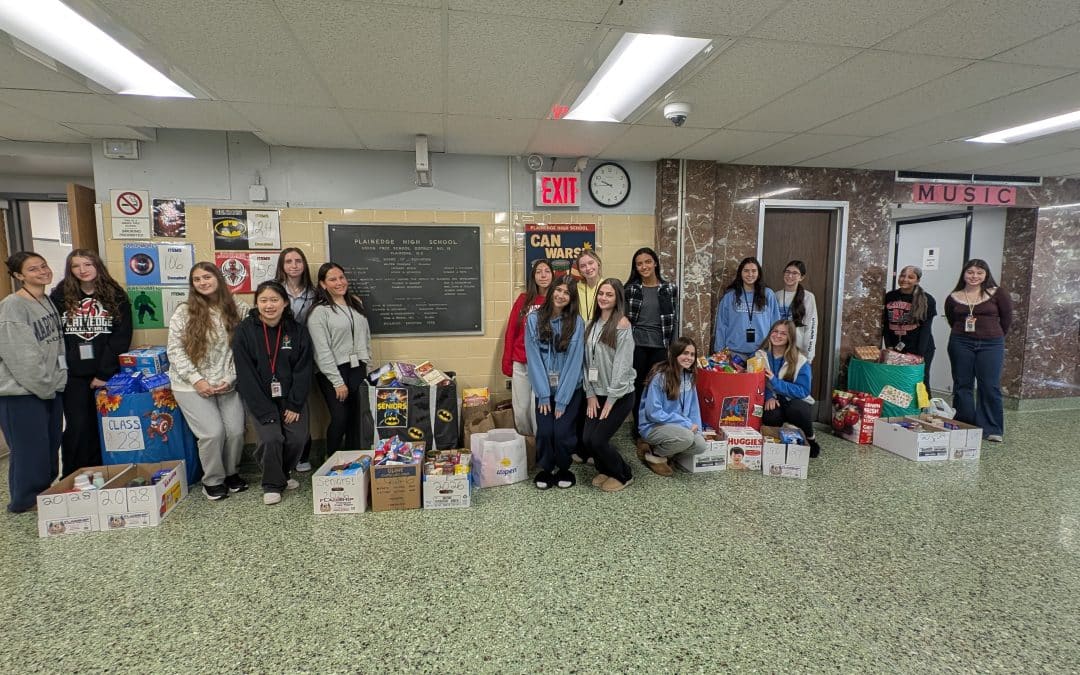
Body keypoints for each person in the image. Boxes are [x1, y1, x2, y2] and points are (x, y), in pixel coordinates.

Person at [167, 262, 248, 501]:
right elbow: (175, 350)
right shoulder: (184, 311)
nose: (203, 282)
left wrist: (230, 377)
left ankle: (231, 473)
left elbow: (244, 349)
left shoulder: (237, 307)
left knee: (235, 432)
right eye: (197, 279)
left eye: (207, 276)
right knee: (213, 433)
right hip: (190, 385)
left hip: (226, 383)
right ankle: (212, 480)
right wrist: (197, 380)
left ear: (218, 278)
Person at [50, 249, 133, 476]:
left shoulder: (116, 296)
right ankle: (73, 475)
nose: (83, 270)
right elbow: (54, 336)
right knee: (77, 426)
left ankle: (100, 472)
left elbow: (121, 337)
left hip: (105, 373)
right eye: (76, 266)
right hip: (72, 374)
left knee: (103, 426)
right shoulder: (59, 297)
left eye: (87, 264)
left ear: (97, 265)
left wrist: (104, 373)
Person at [233, 281, 314, 505]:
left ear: (285, 303)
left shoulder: (297, 331)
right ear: (257, 303)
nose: (269, 305)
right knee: (271, 438)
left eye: (274, 300)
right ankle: (272, 484)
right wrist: (265, 410)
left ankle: (283, 474)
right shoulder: (245, 331)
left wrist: (295, 405)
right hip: (260, 396)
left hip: (291, 397)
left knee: (297, 437)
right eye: (264, 300)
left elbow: (303, 369)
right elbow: (245, 374)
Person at [0, 252, 66, 513]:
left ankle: (44, 494)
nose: (42, 272)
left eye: (44, 266)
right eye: (33, 269)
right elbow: (22, 356)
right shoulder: (12, 306)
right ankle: (24, 502)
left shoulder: (46, 301)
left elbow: (56, 345)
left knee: (49, 445)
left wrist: (58, 382)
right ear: (19, 276)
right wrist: (45, 387)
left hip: (49, 388)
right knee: (29, 449)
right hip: (23, 393)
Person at [525, 276, 584, 490]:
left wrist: (561, 400)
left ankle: (564, 468)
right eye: (558, 290)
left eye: (567, 293)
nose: (561, 295)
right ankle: (546, 469)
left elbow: (575, 362)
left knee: (562, 433)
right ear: (551, 292)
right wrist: (543, 393)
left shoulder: (577, 323)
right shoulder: (533, 319)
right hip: (544, 389)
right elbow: (533, 359)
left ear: (571, 298)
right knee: (545, 431)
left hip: (569, 390)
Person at [308, 262, 372, 457]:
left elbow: (366, 338)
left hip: (357, 368)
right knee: (340, 417)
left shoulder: (356, 304)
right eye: (332, 279)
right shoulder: (319, 312)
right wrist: (337, 382)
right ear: (323, 284)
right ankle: (332, 457)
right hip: (333, 371)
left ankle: (355, 458)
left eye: (341, 277)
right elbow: (321, 350)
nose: (339, 282)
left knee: (357, 417)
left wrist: (368, 368)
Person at [944, 259, 1012, 443]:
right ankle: (965, 425)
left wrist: (992, 334)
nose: (974, 276)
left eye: (979, 273)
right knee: (962, 384)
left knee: (989, 385)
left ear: (986, 275)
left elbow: (1006, 319)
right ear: (964, 274)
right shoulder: (954, 296)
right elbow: (952, 319)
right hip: (960, 342)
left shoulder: (997, 293)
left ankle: (992, 429)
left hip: (991, 344)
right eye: (970, 272)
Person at [582, 278, 636, 492]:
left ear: (617, 299)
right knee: (586, 439)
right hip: (596, 393)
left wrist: (611, 400)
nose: (603, 298)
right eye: (601, 294)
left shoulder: (622, 324)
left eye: (609, 295)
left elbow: (622, 366)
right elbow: (586, 362)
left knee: (598, 440)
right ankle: (604, 468)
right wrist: (590, 393)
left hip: (619, 394)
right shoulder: (592, 323)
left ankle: (624, 474)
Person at [624, 247, 679, 454]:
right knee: (637, 388)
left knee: (657, 390)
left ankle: (656, 428)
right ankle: (639, 431)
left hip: (660, 347)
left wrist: (673, 351)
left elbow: (673, 322)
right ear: (635, 267)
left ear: (655, 263)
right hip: (636, 346)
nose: (644, 266)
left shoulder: (669, 289)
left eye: (648, 262)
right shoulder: (630, 289)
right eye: (639, 264)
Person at [637, 336, 708, 477]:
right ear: (675, 354)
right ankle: (654, 455)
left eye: (692, 354)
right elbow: (653, 413)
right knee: (686, 437)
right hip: (654, 426)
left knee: (700, 445)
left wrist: (697, 429)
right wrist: (685, 424)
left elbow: (694, 409)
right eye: (685, 353)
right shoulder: (660, 377)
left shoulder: (689, 377)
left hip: (679, 427)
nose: (689, 357)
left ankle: (668, 453)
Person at [274, 247, 317, 471]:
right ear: (282, 265)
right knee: (280, 401)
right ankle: (283, 453)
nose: (294, 265)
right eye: (288, 261)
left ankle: (302, 454)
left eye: (298, 261)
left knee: (302, 402)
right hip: (280, 354)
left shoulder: (314, 292)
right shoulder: (275, 290)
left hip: (305, 353)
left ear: (304, 264)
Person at [754, 319, 821, 458]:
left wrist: (775, 381)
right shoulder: (760, 355)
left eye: (783, 334)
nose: (777, 336)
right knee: (770, 414)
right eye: (775, 331)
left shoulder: (800, 360)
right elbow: (756, 383)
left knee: (797, 409)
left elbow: (803, 391)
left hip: (794, 401)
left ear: (790, 337)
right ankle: (777, 442)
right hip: (774, 400)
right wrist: (769, 396)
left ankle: (810, 438)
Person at [501, 258, 553, 436]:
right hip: (521, 361)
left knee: (537, 409)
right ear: (533, 276)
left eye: (547, 271)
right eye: (539, 271)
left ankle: (540, 447)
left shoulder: (557, 299)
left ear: (553, 275)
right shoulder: (524, 299)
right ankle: (527, 445)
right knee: (521, 409)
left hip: (544, 364)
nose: (543, 275)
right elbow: (511, 332)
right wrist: (507, 361)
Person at [883, 265, 937, 391]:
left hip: (919, 347)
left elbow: (926, 329)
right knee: (896, 380)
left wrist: (919, 354)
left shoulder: (927, 299)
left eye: (910, 277)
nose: (905, 279)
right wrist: (889, 345)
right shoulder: (890, 296)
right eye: (902, 275)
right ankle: (899, 410)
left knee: (919, 380)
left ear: (917, 280)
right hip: (896, 347)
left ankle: (923, 409)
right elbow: (885, 323)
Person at [713, 256, 780, 358]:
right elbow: (721, 326)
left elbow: (776, 323)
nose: (750, 274)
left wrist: (777, 349)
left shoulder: (768, 295)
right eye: (746, 271)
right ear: (741, 273)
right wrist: (719, 351)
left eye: (754, 271)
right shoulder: (730, 297)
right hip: (734, 353)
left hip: (761, 352)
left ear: (758, 274)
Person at [775, 260, 818, 362]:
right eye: (787, 272)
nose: (790, 276)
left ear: (801, 277)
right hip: (777, 350)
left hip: (797, 352)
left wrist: (809, 356)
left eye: (795, 273)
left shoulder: (808, 297)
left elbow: (811, 327)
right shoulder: (776, 295)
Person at [575, 250, 603, 323]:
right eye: (583, 266)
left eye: (591, 263)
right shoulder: (575, 288)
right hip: (580, 331)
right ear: (579, 270)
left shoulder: (607, 287)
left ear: (598, 263)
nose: (588, 268)